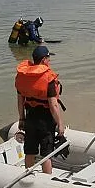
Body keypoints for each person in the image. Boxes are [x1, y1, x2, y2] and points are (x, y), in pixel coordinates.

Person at [14, 45, 65, 174]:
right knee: (46, 154)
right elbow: (53, 105)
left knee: (30, 150)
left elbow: (20, 101)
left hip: (30, 116)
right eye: (48, 58)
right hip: (45, 119)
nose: (50, 60)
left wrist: (21, 118)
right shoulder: (49, 78)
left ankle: (27, 174)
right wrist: (60, 124)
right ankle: (47, 179)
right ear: (43, 60)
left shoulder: (23, 76)